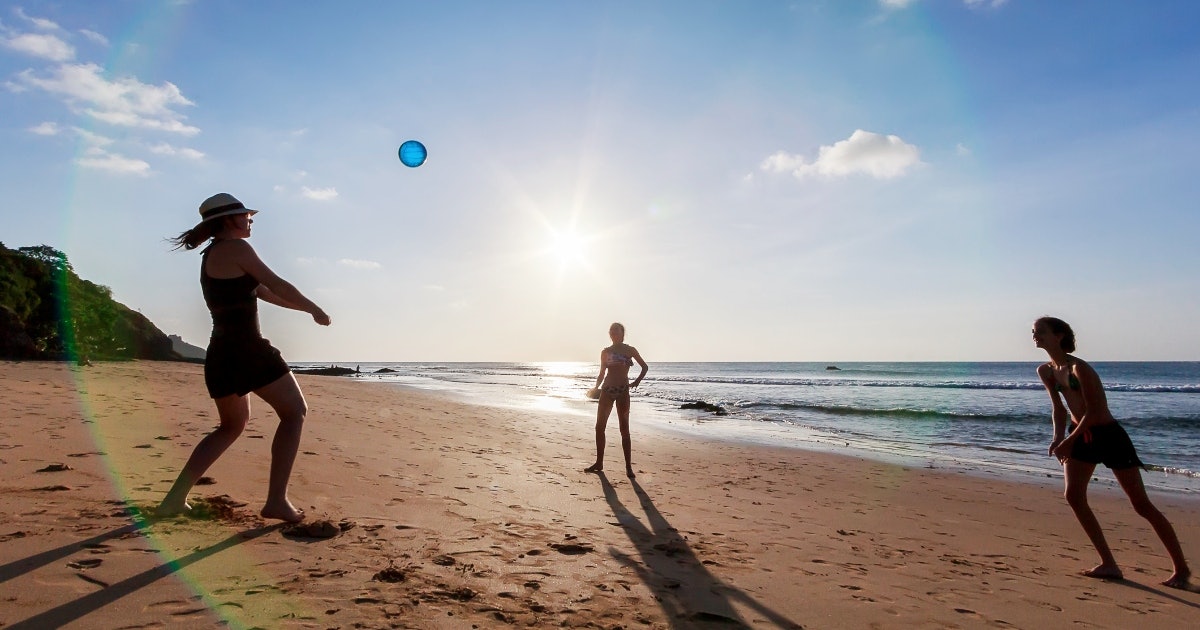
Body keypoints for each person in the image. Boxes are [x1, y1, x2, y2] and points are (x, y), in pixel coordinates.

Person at [158, 193, 331, 523]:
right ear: (227, 221)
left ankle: (174, 499)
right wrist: (315, 308)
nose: (250, 220)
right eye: (245, 216)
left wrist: (305, 312)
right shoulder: (237, 249)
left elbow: (264, 293)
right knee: (294, 412)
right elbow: (276, 282)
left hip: (222, 353)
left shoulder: (213, 254)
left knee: (230, 427)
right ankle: (277, 501)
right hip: (247, 349)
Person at [1033, 316, 1190, 588]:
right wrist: (1058, 437)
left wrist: (1070, 441)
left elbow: (1094, 412)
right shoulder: (1046, 371)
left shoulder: (1079, 369)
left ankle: (1181, 569)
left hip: (1108, 435)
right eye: (1034, 332)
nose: (1035, 336)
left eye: (1040, 332)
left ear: (1058, 336)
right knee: (1073, 495)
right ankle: (1109, 563)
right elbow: (1059, 409)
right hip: (1079, 435)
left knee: (1141, 504)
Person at [585, 322, 648, 478]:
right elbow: (601, 373)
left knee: (624, 429)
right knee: (599, 427)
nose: (613, 332)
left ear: (622, 333)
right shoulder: (605, 352)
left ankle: (628, 468)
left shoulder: (630, 350)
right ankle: (599, 463)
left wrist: (636, 382)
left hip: (623, 392)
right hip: (607, 391)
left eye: (616, 330)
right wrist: (596, 387)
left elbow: (644, 367)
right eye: (611, 330)